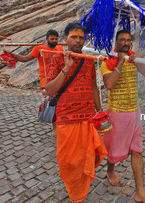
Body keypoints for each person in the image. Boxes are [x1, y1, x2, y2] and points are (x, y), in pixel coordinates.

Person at [45, 22, 107, 203]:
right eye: (74, 37)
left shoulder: (89, 60)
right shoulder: (56, 59)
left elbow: (94, 87)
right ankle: (76, 195)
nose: (78, 40)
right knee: (69, 161)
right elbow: (49, 90)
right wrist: (66, 67)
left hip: (88, 118)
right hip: (67, 118)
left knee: (90, 155)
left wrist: (100, 111)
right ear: (65, 40)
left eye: (81, 37)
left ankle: (83, 191)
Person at [101, 30, 145, 203]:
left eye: (128, 41)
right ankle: (110, 170)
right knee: (112, 148)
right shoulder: (107, 60)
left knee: (137, 150)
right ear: (115, 42)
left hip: (135, 112)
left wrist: (136, 62)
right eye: (122, 40)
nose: (125, 43)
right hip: (116, 113)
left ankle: (140, 192)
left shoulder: (134, 57)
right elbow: (109, 84)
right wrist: (120, 63)